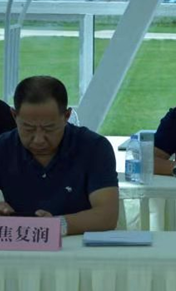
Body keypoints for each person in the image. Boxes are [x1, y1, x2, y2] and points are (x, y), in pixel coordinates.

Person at [0, 76, 118, 235]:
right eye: (28, 128)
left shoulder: (94, 148)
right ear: (14, 116)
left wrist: (56, 225)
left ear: (67, 116)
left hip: (78, 243)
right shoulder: (3, 147)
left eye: (49, 129)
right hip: (20, 242)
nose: (39, 139)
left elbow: (106, 215)